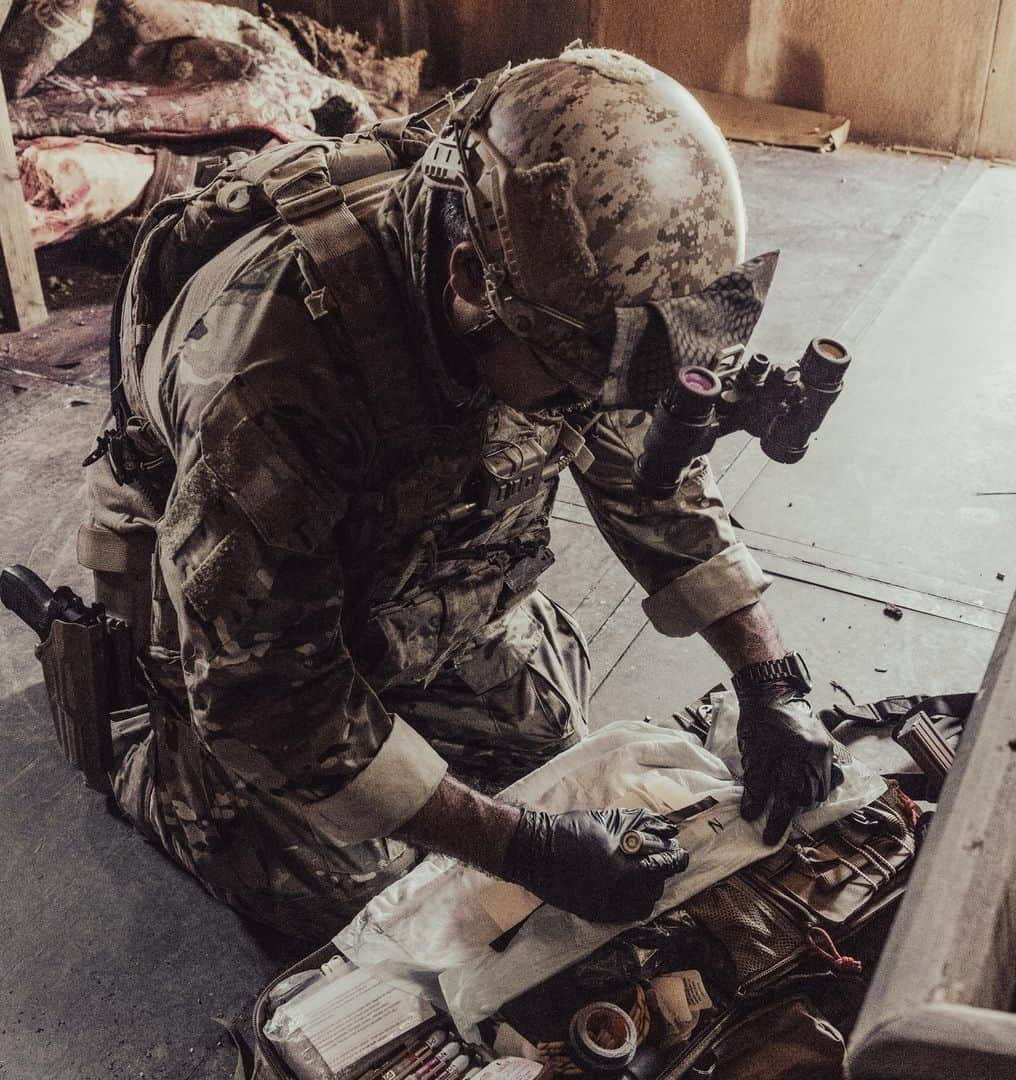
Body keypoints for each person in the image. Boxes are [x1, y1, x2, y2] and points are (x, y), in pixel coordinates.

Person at [78, 46, 841, 941]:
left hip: (390, 561)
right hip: (237, 614)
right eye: (569, 383)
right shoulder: (273, 376)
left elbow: (651, 474)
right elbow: (268, 690)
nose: (587, 406)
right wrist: (527, 851)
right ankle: (150, 753)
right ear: (470, 283)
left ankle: (391, 701)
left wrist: (767, 675)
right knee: (368, 900)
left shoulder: (563, 286)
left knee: (565, 748)